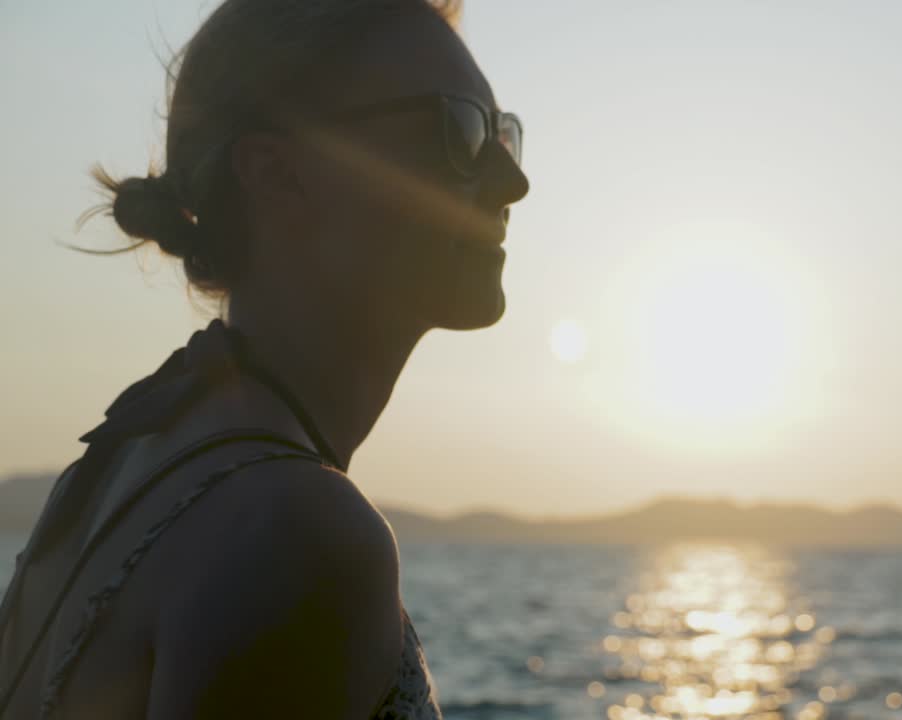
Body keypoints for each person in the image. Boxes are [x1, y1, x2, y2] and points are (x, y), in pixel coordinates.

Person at [0, 0, 529, 717]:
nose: (511, 184)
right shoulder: (297, 533)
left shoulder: (116, 467)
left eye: (503, 134)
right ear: (277, 175)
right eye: (460, 130)